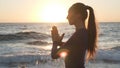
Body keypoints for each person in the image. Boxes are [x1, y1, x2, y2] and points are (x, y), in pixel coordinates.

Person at [51, 2, 97, 68]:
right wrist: (59, 42)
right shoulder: (83, 33)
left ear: (78, 15)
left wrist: (55, 42)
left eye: (69, 13)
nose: (67, 17)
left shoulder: (79, 35)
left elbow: (54, 55)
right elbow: (74, 47)